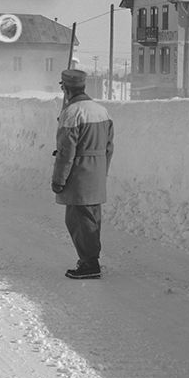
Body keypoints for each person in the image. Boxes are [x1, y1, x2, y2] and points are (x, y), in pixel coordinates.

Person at [51, 68, 114, 279]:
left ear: (65, 88)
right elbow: (109, 146)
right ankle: (89, 259)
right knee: (92, 218)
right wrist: (102, 171)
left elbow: (65, 152)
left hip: (79, 173)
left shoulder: (71, 113)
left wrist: (59, 180)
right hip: (96, 171)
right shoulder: (101, 110)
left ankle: (89, 264)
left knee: (79, 221)